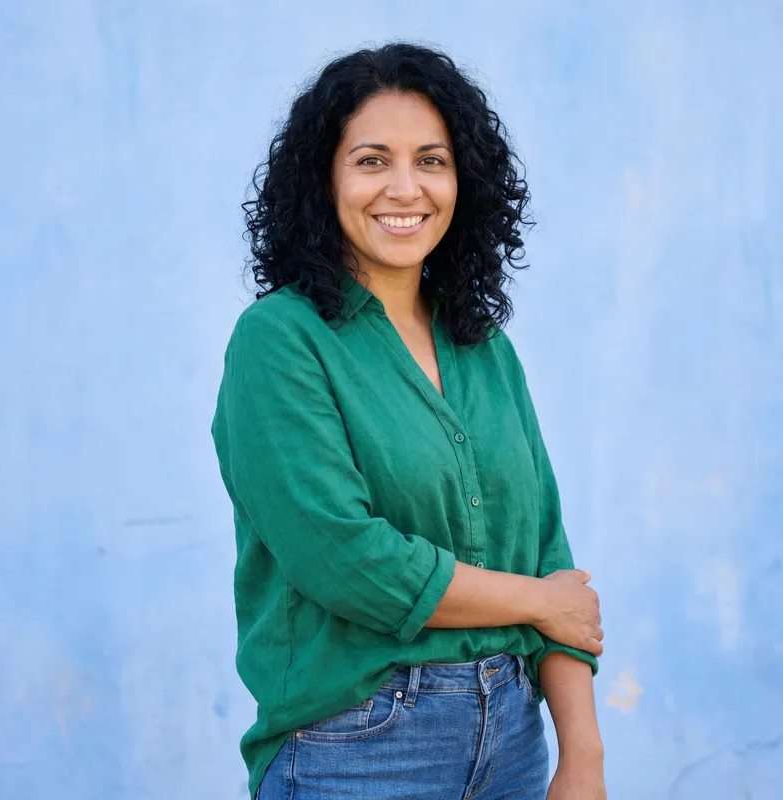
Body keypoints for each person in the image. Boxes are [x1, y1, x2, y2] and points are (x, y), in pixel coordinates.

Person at [211, 41, 606, 800]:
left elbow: (550, 551)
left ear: (464, 180)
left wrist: (582, 757)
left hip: (518, 741)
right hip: (359, 748)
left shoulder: (483, 347)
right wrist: (534, 601)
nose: (405, 187)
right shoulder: (280, 341)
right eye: (370, 160)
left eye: (431, 160)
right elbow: (347, 559)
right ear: (322, 179)